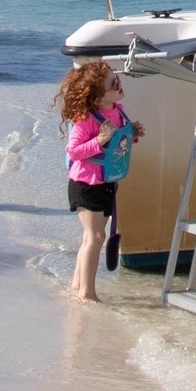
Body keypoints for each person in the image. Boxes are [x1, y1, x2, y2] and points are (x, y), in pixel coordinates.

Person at [58, 59, 142, 303]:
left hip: (106, 180)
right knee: (94, 237)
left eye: (117, 79)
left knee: (92, 236)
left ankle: (77, 285)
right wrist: (100, 140)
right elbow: (74, 151)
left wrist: (132, 133)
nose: (119, 83)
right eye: (113, 83)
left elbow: (118, 143)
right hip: (85, 183)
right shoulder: (86, 118)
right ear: (96, 98)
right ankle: (87, 293)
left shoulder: (117, 109)